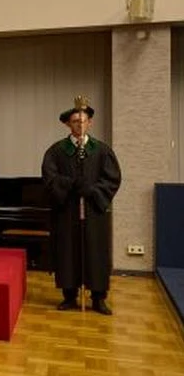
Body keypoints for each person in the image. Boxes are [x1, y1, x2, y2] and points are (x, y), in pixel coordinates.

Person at [42, 99, 122, 314]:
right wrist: (70, 184)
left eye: (83, 121)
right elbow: (49, 178)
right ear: (68, 124)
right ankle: (69, 296)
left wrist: (93, 190)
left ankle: (98, 298)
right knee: (68, 251)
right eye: (75, 121)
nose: (79, 125)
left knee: (95, 252)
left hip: (94, 210)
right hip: (67, 210)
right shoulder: (56, 151)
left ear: (90, 123)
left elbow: (112, 178)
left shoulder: (102, 150)